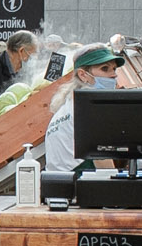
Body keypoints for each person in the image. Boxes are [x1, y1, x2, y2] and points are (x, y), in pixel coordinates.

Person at [46, 45, 124, 173]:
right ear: (83, 75)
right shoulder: (89, 108)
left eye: (114, 69)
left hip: (61, 185)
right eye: (105, 69)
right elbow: (101, 160)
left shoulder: (69, 104)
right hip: (78, 183)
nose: (113, 75)